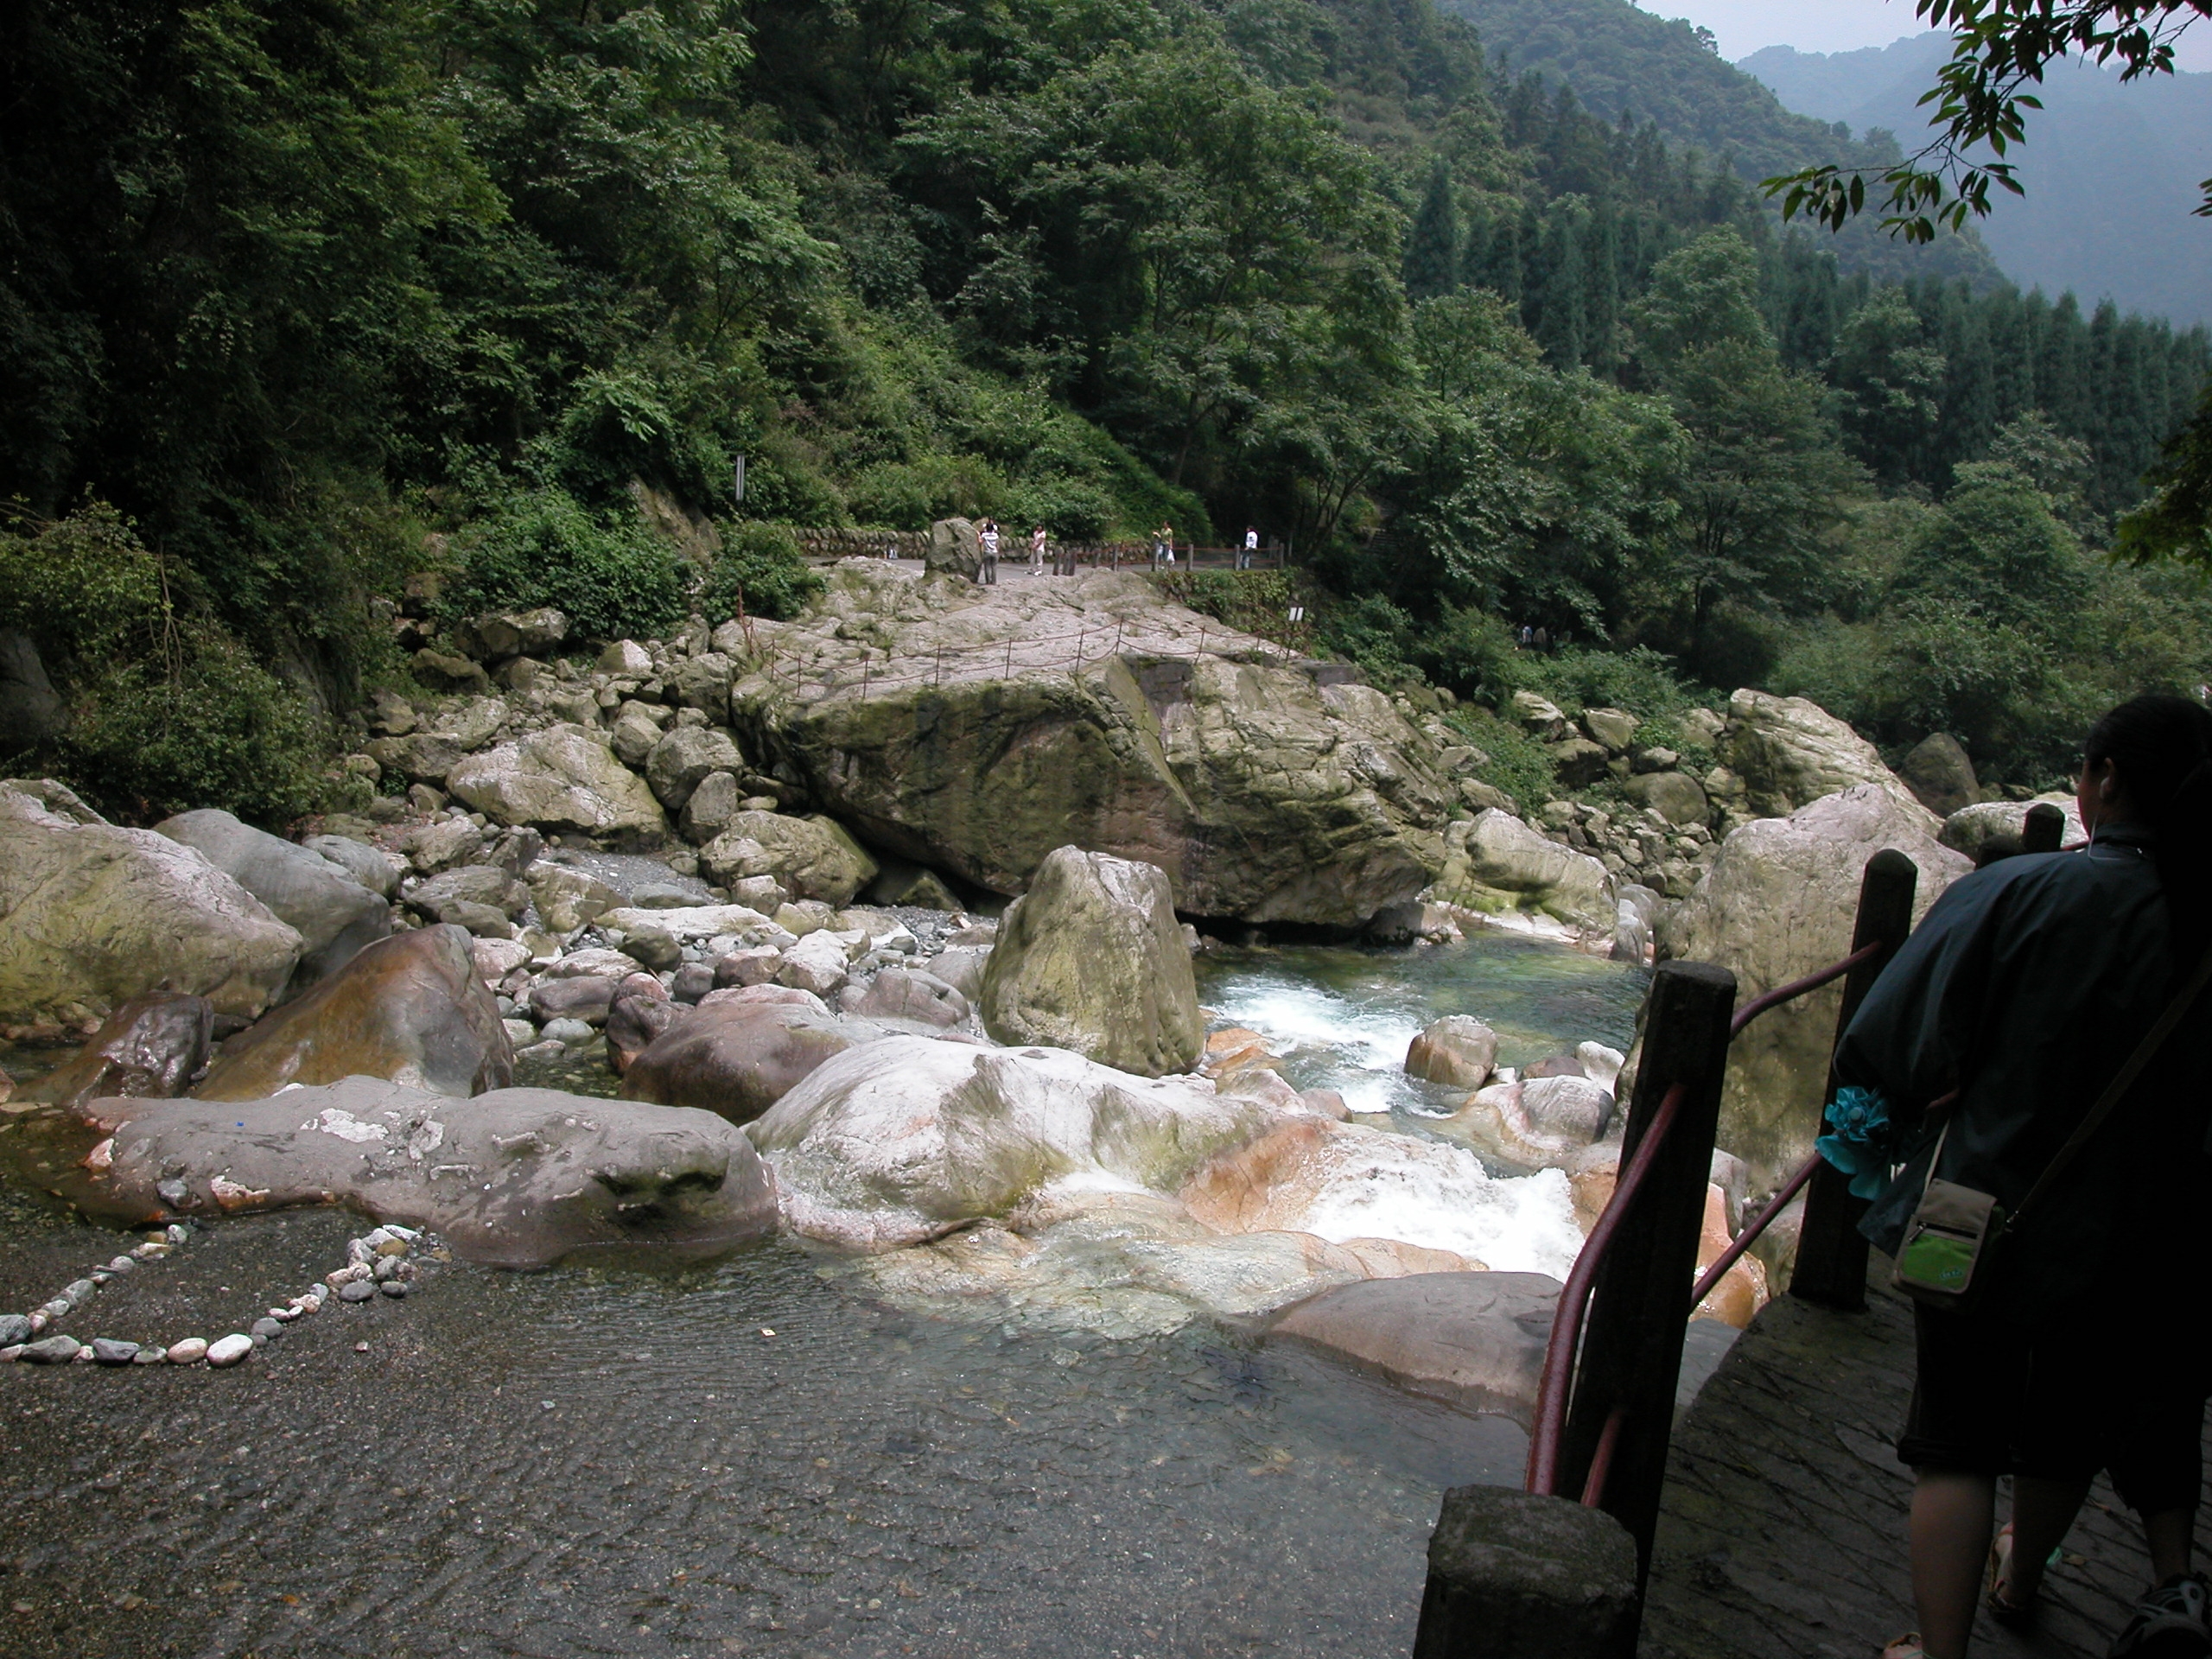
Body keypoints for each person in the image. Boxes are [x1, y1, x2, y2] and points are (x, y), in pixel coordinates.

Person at [1830, 695, 2212, 1659]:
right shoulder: (2204, 919)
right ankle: (2023, 1576)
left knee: (1955, 1445)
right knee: (2069, 1422)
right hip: (2147, 1234)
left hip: (1983, 1211)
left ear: (2107, 780)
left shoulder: (2021, 891)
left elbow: (1891, 1040)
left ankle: (1939, 1649)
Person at [977, 518, 999, 584]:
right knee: (994, 567)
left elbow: (980, 542)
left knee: (987, 567)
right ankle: (994, 581)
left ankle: (988, 581)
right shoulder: (995, 535)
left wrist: (978, 535)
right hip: (994, 552)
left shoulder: (984, 535)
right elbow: (997, 544)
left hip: (987, 552)